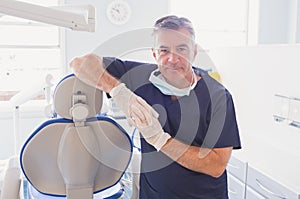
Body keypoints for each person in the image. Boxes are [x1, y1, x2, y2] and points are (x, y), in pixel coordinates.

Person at [70, 15, 241, 199]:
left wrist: (160, 140)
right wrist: (119, 91)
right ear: (154, 53)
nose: (172, 59)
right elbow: (80, 63)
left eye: (181, 49)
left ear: (194, 52)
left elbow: (215, 166)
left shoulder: (218, 97)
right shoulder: (141, 77)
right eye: (164, 50)